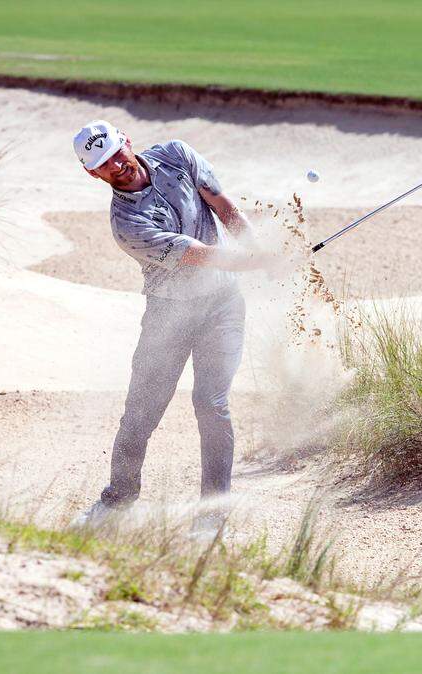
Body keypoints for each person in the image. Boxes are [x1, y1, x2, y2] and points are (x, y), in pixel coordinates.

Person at [68, 120, 275, 535]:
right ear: (93, 173)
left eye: (116, 153)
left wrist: (261, 250)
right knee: (141, 412)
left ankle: (214, 512)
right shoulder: (127, 224)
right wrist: (258, 263)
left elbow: (225, 208)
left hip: (222, 307)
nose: (117, 165)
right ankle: (119, 499)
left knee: (211, 404)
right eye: (104, 164)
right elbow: (199, 255)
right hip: (169, 315)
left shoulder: (178, 155)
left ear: (126, 140)